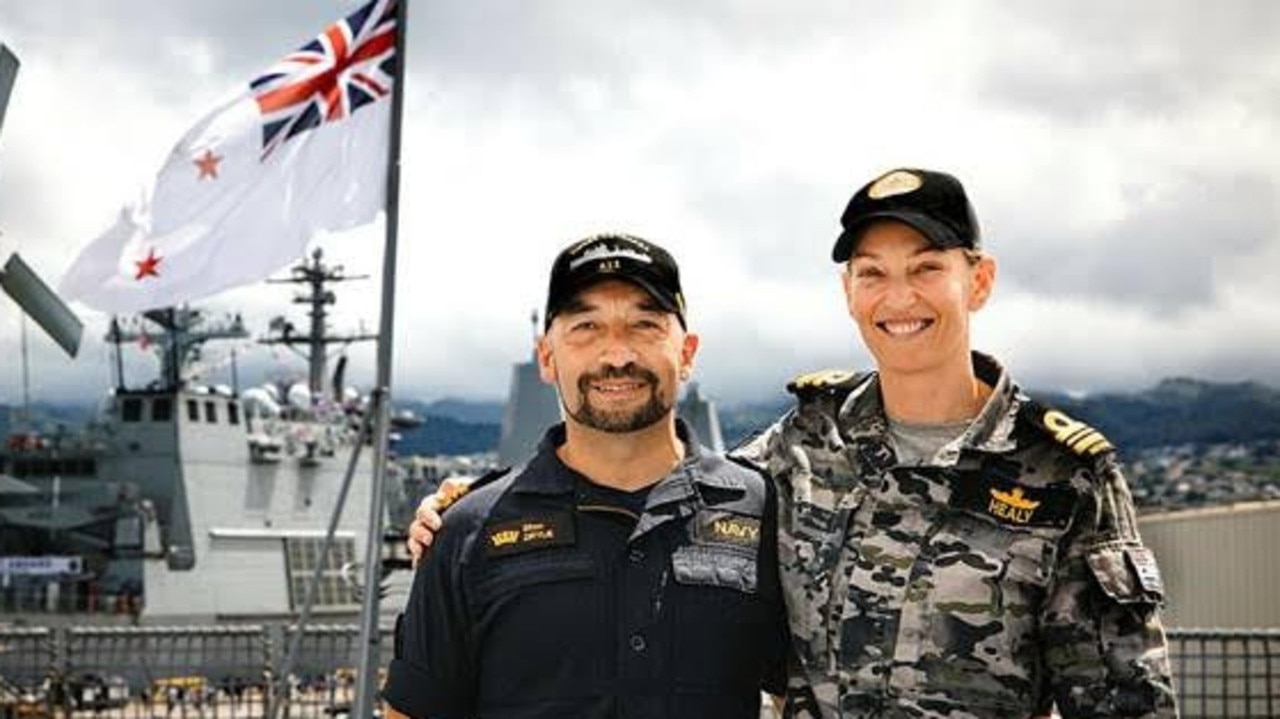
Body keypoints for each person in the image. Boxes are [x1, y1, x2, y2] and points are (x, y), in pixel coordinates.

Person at [408, 169, 1178, 718]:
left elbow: (1125, 700)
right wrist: (475, 505)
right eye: (872, 271)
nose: (898, 297)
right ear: (848, 291)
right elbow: (652, 476)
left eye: (926, 268)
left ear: (976, 281)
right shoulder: (806, 440)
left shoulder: (1065, 473)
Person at [382, 233, 789, 719]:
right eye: (586, 327)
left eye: (643, 324)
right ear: (548, 358)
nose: (616, 355)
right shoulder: (467, 532)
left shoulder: (766, 514)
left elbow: (802, 692)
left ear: (687, 353)